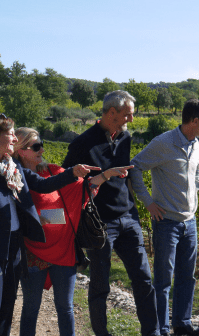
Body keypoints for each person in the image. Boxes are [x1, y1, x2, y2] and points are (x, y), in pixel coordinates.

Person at [0, 113, 96, 336]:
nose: (14, 139)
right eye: (10, 134)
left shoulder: (14, 170)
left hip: (14, 252)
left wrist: (73, 173)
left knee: (6, 313)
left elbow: (44, 185)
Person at [13, 127, 132, 336]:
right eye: (36, 146)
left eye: (42, 144)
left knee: (65, 308)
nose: (42, 149)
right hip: (33, 252)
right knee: (31, 309)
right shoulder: (15, 179)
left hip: (63, 249)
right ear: (21, 151)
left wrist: (106, 175)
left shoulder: (52, 171)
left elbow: (81, 188)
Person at [62, 90, 160, 336]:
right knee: (100, 286)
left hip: (128, 218)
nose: (131, 120)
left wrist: (135, 212)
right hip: (100, 223)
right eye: (128, 115)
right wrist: (100, 178)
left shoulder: (125, 138)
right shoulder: (83, 143)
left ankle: (153, 332)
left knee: (144, 280)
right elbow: (65, 182)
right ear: (112, 112)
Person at [129, 99, 199, 336]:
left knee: (187, 276)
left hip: (190, 221)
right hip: (167, 223)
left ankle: (182, 324)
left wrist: (197, 183)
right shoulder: (163, 143)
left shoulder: (195, 144)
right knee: (163, 280)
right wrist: (149, 203)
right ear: (194, 121)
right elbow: (135, 167)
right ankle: (162, 329)